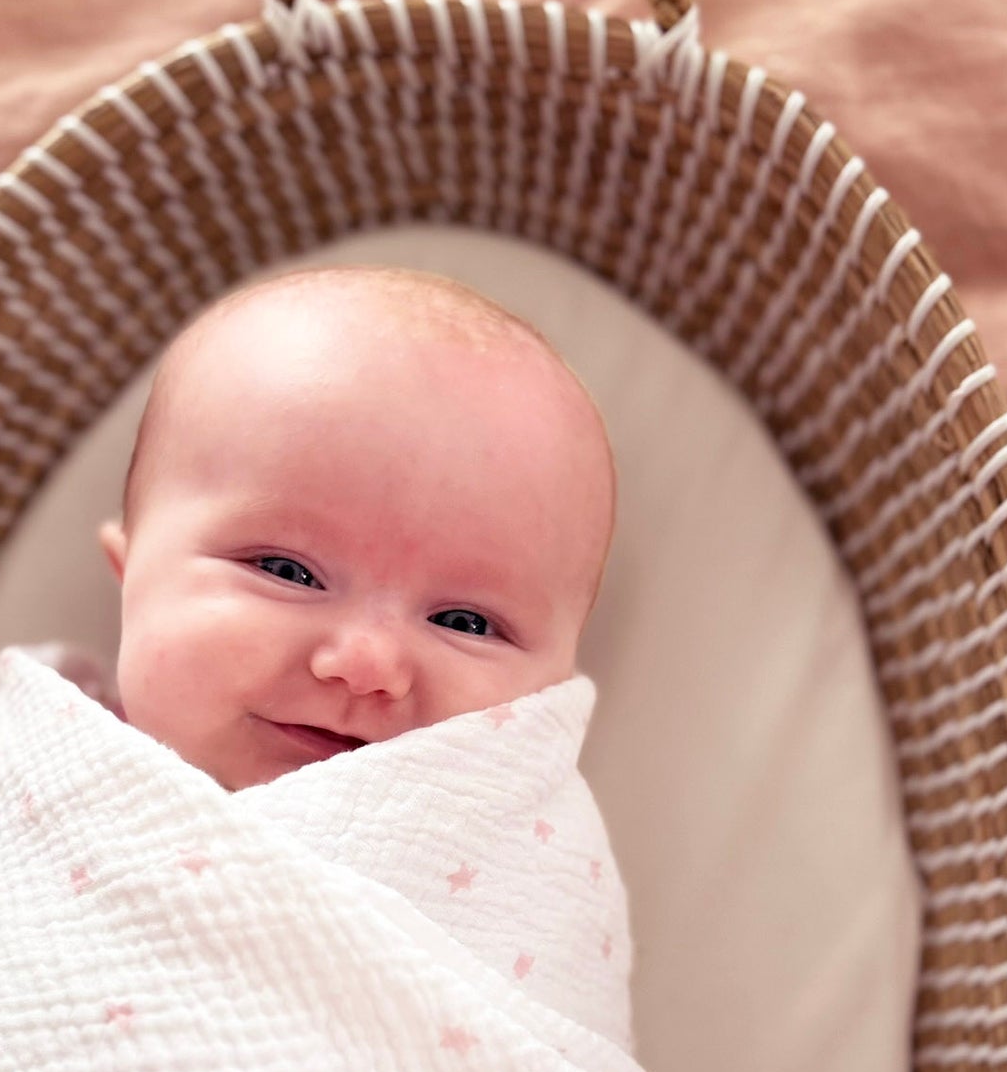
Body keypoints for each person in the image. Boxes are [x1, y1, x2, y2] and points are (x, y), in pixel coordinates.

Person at [54, 263, 618, 788]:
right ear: (129, 574)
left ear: (557, 695)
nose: (365, 666)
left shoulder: (524, 852)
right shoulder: (46, 744)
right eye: (287, 572)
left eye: (465, 623)